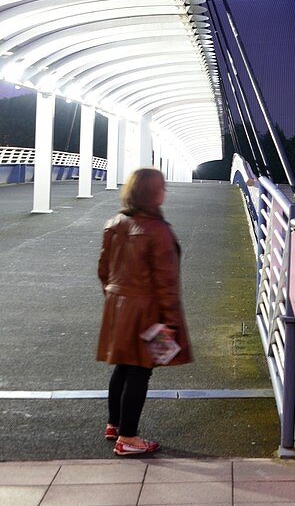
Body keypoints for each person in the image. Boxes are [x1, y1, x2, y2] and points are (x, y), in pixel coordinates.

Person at [96, 168, 192, 456]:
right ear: (152, 193)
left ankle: (114, 424)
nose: (165, 191)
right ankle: (128, 438)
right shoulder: (158, 231)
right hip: (146, 310)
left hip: (118, 306)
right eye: (161, 187)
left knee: (123, 366)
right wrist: (171, 324)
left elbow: (104, 270)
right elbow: (166, 283)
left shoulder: (114, 223)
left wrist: (115, 298)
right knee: (140, 370)